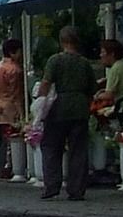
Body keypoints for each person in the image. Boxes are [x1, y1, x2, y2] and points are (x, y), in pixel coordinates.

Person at [39, 25, 98, 200]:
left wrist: (40, 102)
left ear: (62, 41)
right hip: (80, 107)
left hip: (59, 107)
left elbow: (46, 83)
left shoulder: (55, 60)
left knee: (51, 146)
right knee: (78, 150)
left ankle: (52, 185)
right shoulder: (84, 63)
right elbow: (92, 88)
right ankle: (76, 189)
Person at [0, 38, 28, 182]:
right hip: (10, 108)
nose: (21, 54)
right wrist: (23, 115)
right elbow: (16, 94)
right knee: (13, 140)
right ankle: (11, 168)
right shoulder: (15, 70)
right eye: (19, 51)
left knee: (1, 141)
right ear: (13, 52)